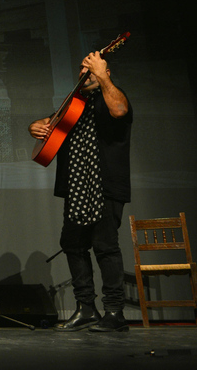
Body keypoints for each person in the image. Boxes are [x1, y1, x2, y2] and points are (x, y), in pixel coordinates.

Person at [29, 51, 132, 332]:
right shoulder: (73, 105)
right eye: (82, 70)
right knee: (73, 244)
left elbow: (119, 111)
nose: (84, 73)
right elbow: (48, 125)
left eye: (91, 69)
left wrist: (102, 74)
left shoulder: (115, 95)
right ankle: (86, 308)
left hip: (104, 186)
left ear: (104, 73)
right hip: (76, 188)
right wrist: (34, 126)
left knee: (105, 247)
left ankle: (114, 312)